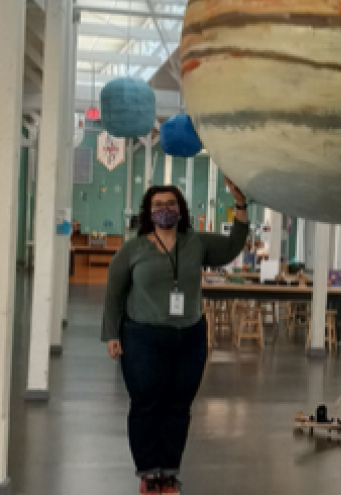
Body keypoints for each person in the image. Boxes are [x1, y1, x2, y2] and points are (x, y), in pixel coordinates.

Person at [103, 178, 250, 494]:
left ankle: (168, 473)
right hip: (142, 338)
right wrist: (112, 334)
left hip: (189, 338)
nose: (165, 210)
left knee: (178, 406)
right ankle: (148, 473)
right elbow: (114, 293)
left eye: (171, 204)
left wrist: (240, 206)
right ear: (149, 211)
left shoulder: (195, 243)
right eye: (158, 205)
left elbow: (231, 247)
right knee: (145, 405)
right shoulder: (133, 249)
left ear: (180, 210)